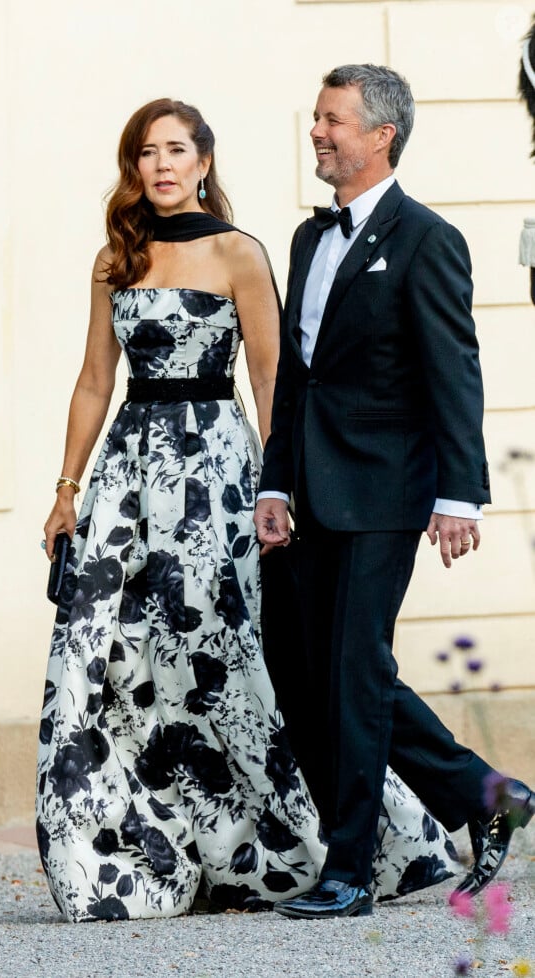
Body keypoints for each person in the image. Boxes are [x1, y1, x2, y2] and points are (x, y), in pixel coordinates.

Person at [37, 97, 460, 924]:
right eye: (145, 154)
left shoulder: (241, 254)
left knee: (234, 657)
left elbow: (274, 381)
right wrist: (66, 489)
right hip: (129, 475)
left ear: (203, 162)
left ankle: (321, 842)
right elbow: (95, 380)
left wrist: (283, 484)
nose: (160, 166)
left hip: (220, 472)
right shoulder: (112, 257)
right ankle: (134, 850)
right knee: (112, 654)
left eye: (175, 151)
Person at [254, 64, 535, 921]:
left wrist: (461, 495)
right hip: (306, 491)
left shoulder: (426, 238)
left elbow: (455, 371)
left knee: (350, 669)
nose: (318, 132)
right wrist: (274, 480)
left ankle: (349, 872)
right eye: (315, 118)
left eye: (334, 120)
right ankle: (486, 796)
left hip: (385, 493)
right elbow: (296, 377)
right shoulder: (309, 240)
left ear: (382, 135)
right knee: (313, 670)